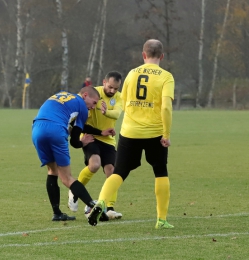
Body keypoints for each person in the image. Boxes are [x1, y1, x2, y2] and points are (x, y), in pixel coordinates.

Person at [88, 39, 175, 229]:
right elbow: (166, 108)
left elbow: (125, 101)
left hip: (130, 131)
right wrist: (166, 134)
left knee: (119, 171)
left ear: (143, 55)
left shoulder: (132, 74)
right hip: (154, 131)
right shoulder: (166, 77)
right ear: (161, 56)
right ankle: (161, 219)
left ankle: (101, 202)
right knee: (160, 171)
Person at [32, 86, 108, 221]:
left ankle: (57, 213)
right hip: (55, 130)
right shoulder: (82, 107)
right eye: (94, 102)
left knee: (52, 171)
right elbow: (74, 141)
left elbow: (73, 123)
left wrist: (100, 132)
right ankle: (93, 206)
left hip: (37, 129)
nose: (93, 106)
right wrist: (82, 142)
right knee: (67, 178)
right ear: (85, 95)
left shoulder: (62, 95)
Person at [68, 71, 123, 220]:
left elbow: (117, 113)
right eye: (110, 87)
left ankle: (109, 208)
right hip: (91, 136)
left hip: (108, 139)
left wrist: (107, 113)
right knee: (94, 165)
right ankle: (75, 189)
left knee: (112, 171)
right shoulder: (94, 93)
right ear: (104, 82)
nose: (112, 91)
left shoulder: (119, 97)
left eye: (116, 88)